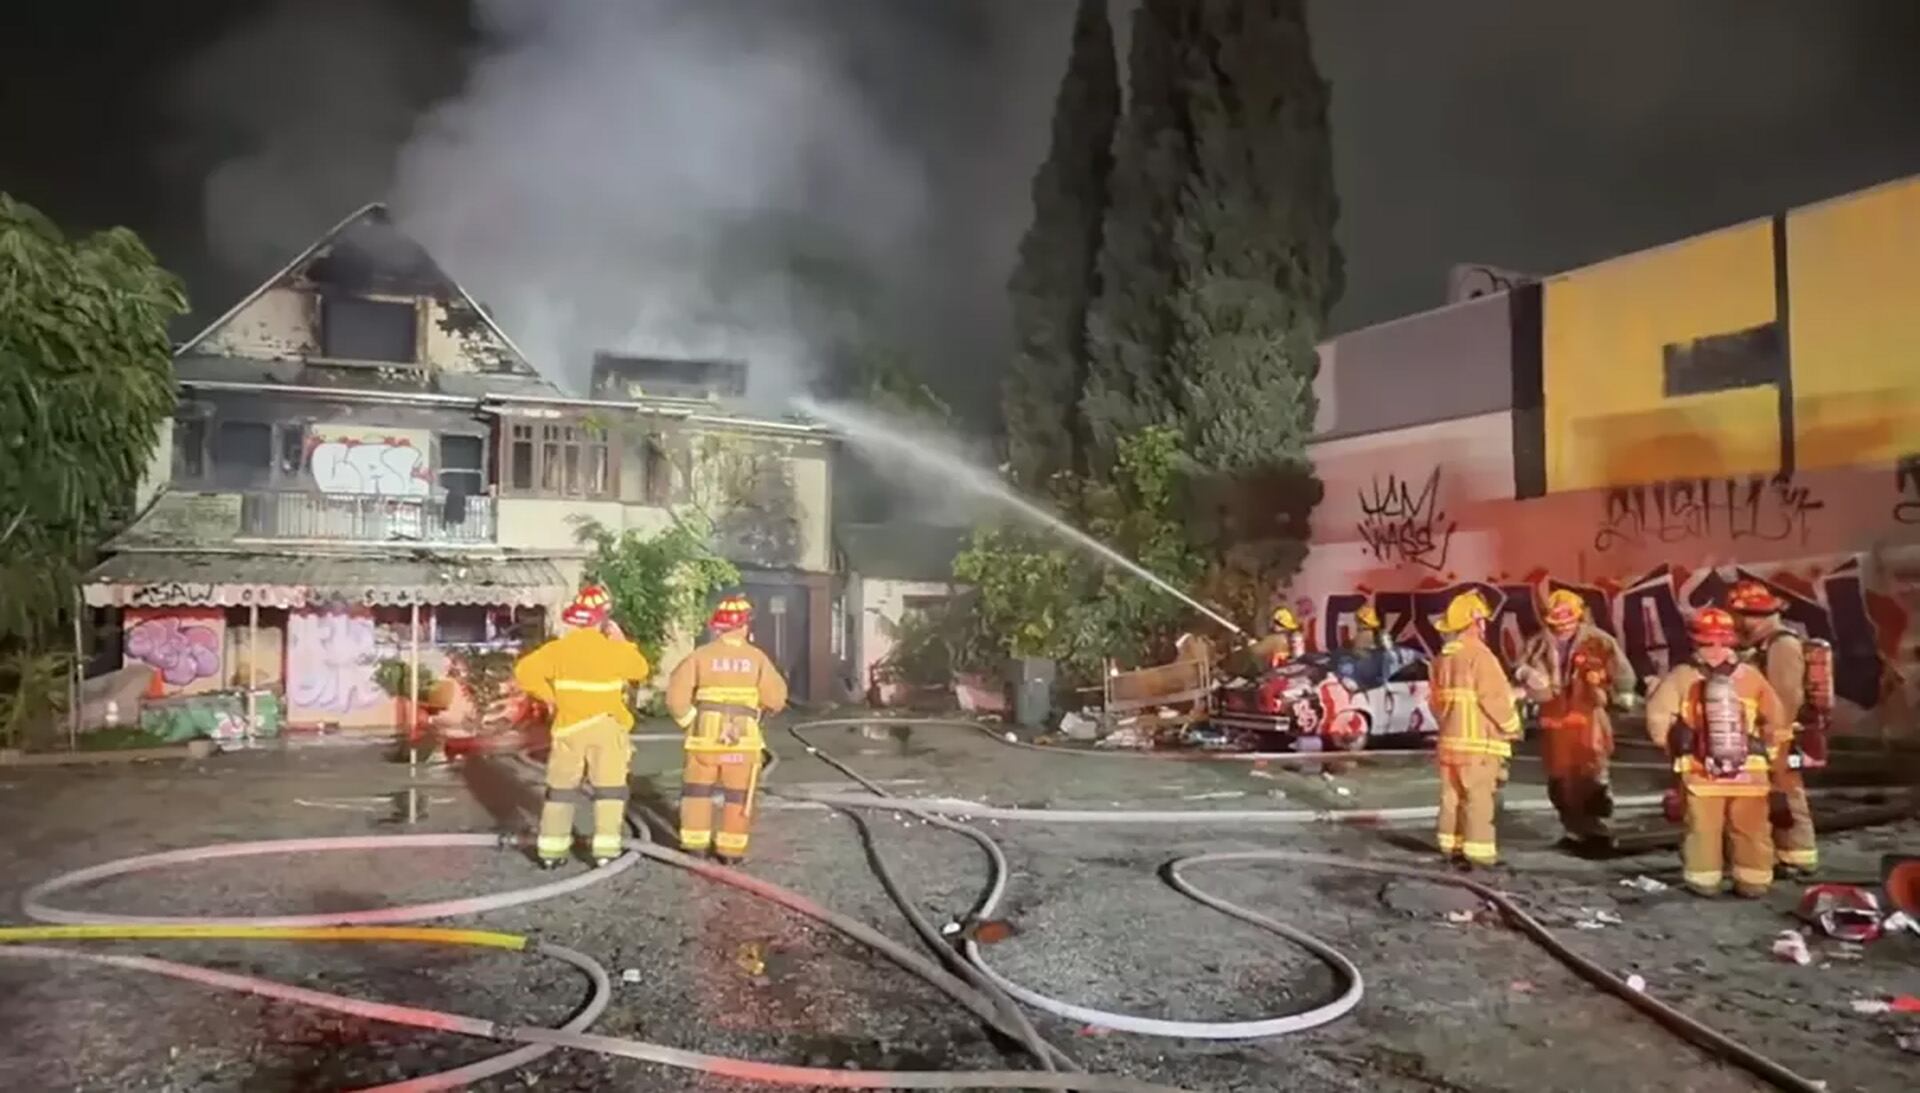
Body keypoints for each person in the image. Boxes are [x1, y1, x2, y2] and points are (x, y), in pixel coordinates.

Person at [1644, 607, 1792, 898]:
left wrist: (1673, 750)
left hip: (1701, 772)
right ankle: (1754, 881)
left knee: (1703, 830)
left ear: (1694, 641)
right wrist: (1772, 757)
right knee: (1751, 829)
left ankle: (1704, 881)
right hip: (1750, 772)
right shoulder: (1751, 677)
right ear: (1732, 640)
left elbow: (1657, 718)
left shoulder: (1681, 676)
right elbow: (1776, 720)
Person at [513, 584, 652, 869]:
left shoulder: (557, 651)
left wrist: (551, 699)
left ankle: (551, 853)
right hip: (607, 729)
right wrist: (621, 641)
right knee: (610, 791)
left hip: (568, 729)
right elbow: (640, 670)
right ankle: (605, 852)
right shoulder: (613, 651)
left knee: (560, 791)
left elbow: (524, 672)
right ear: (603, 618)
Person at [666, 594, 789, 865]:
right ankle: (730, 851)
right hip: (742, 742)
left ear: (717, 627)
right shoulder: (757, 659)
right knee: (738, 796)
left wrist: (690, 722)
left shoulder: (700, 656)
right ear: (745, 626)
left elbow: (676, 698)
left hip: (704, 740)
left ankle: (695, 846)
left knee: (697, 792)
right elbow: (776, 699)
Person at [1515, 590, 1637, 850]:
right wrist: (1526, 674)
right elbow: (1519, 667)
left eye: (1568, 621)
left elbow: (1622, 671)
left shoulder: (1599, 641)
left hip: (1588, 716)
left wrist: (1622, 694)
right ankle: (1574, 829)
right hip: (1555, 719)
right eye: (1557, 622)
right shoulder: (1537, 643)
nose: (1563, 627)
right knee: (1560, 779)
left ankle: (1596, 829)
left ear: (1578, 616)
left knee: (1592, 774)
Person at [1728, 579, 1820, 877]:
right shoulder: (1762, 646)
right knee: (1775, 797)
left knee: (1789, 794)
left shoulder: (1783, 646)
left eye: (1744, 615)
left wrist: (1772, 734)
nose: (1739, 621)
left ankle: (1799, 856)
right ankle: (1784, 854)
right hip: (1767, 735)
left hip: (1780, 736)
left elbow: (1786, 696)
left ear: (1762, 616)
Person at [1429, 591, 1523, 868]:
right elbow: (1494, 699)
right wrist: (1512, 726)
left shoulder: (1441, 660)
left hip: (1449, 744)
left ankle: (1450, 846)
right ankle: (1480, 856)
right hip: (1479, 745)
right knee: (1478, 799)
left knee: (1451, 798)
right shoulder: (1481, 657)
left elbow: (1435, 703)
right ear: (1476, 622)